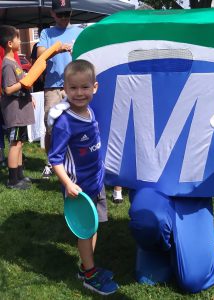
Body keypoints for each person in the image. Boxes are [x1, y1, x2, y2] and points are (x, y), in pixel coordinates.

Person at [48, 60, 118, 295]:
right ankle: (90, 276)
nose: (80, 93)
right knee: (86, 231)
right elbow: (55, 158)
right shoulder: (65, 122)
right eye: (74, 88)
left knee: (94, 226)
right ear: (65, 90)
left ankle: (87, 268)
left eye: (85, 87)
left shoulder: (90, 111)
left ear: (94, 87)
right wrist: (68, 184)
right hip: (78, 190)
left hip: (95, 183)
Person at [37, 0, 83, 179]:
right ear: (53, 14)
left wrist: (75, 51)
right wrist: (57, 49)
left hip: (75, 86)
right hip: (53, 87)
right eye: (61, 14)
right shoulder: (46, 33)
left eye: (67, 13)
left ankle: (75, 161)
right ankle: (51, 163)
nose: (64, 17)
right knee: (50, 126)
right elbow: (40, 54)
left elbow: (87, 55)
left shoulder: (79, 32)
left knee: (77, 125)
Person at [0, 25, 35, 189]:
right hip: (14, 112)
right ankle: (13, 180)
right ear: (9, 43)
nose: (20, 41)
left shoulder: (15, 61)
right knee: (14, 144)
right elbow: (8, 88)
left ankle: (20, 175)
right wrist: (23, 82)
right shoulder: (7, 64)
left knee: (19, 143)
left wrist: (29, 97)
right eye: (17, 38)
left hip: (21, 110)